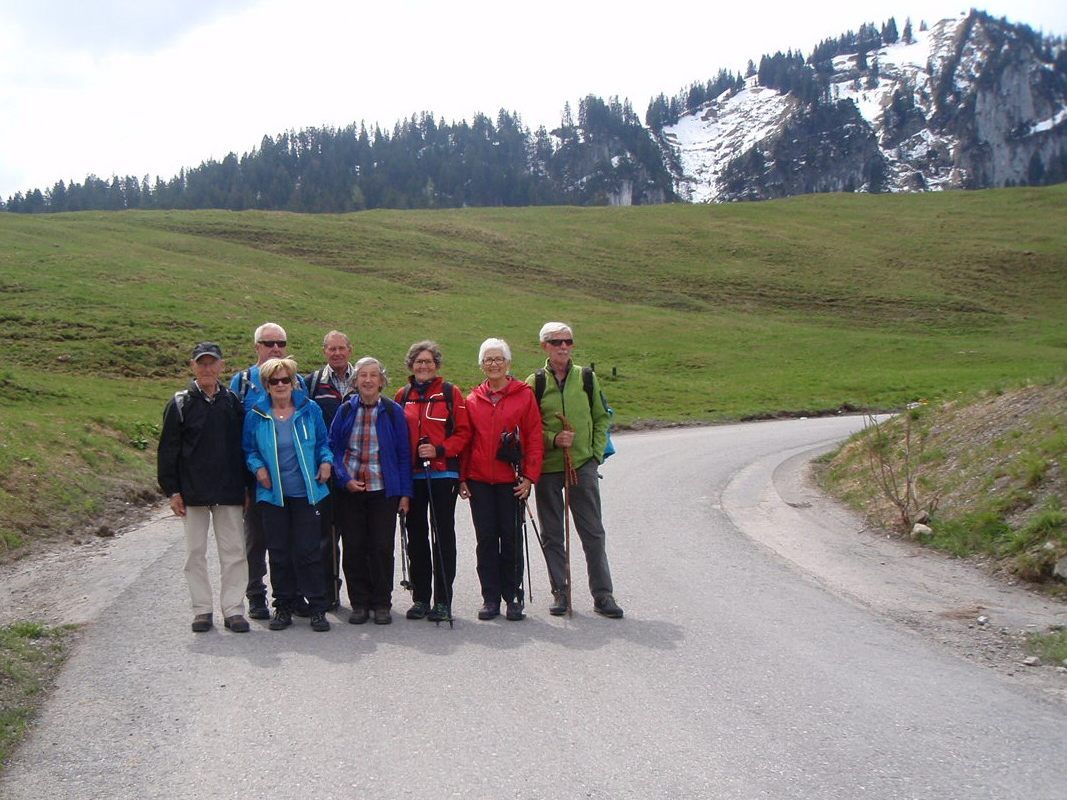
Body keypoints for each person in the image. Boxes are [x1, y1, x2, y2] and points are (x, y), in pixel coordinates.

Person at [526, 322, 623, 618]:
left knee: (592, 531)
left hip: (582, 465)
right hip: (548, 467)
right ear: (545, 346)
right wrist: (553, 439)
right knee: (552, 533)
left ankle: (603, 595)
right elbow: (528, 428)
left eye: (567, 341)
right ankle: (560, 592)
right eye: (556, 342)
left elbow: (602, 417)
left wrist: (593, 454)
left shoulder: (587, 378)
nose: (563, 347)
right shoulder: (535, 382)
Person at [157, 342, 250, 633]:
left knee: (234, 552)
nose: (207, 368)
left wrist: (246, 487)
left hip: (229, 490)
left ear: (222, 366)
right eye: (202, 363)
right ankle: (202, 610)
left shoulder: (233, 401)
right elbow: (168, 450)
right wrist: (172, 491)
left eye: (212, 363)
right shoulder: (180, 403)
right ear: (192, 366)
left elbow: (243, 448)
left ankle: (234, 609)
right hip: (193, 492)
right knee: (194, 553)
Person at [242, 357, 333, 632]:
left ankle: (317, 607)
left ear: (293, 382)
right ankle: (283, 606)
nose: (281, 385)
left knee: (308, 551)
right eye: (274, 381)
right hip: (273, 496)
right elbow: (249, 450)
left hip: (307, 493)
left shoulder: (310, 409)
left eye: (286, 380)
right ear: (266, 385)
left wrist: (326, 462)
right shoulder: (256, 414)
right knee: (279, 552)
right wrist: (258, 469)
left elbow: (323, 443)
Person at [460, 338, 543, 621]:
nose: (493, 364)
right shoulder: (472, 400)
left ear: (508, 363)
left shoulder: (524, 395)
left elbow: (533, 438)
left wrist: (530, 477)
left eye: (498, 359)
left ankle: (513, 596)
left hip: (512, 480)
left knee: (511, 539)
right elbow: (467, 442)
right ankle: (490, 598)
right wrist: (463, 478)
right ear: (481, 365)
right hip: (480, 481)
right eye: (488, 360)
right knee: (485, 540)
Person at [229, 322, 306, 620]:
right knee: (256, 540)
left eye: (281, 342)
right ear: (257, 346)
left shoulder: (297, 380)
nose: (276, 348)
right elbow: (235, 434)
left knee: (291, 538)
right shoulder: (243, 381)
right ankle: (255, 594)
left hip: (292, 477)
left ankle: (291, 595)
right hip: (256, 477)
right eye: (269, 342)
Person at [328, 357, 412, 625]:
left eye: (373, 375)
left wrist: (404, 494)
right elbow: (333, 448)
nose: (367, 380)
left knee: (381, 547)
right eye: (362, 375)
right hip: (351, 490)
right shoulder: (345, 410)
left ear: (381, 380)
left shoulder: (393, 411)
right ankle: (359, 603)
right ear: (356, 381)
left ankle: (382, 602)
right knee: (353, 547)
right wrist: (344, 480)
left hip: (382, 490)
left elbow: (403, 454)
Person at [395, 341, 471, 623]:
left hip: (443, 474)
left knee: (443, 536)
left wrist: (440, 450)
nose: (423, 366)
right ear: (411, 365)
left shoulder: (451, 393)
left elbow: (463, 433)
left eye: (428, 361)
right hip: (413, 476)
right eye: (418, 362)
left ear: (436, 365)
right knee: (416, 537)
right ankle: (420, 598)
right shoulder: (403, 395)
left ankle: (443, 600)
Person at [305, 330, 355, 610]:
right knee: (324, 537)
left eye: (341, 348)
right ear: (324, 351)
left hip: (357, 471)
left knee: (356, 537)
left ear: (350, 350)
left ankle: (360, 594)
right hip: (323, 472)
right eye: (331, 349)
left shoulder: (364, 378)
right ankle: (327, 592)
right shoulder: (313, 383)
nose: (336, 353)